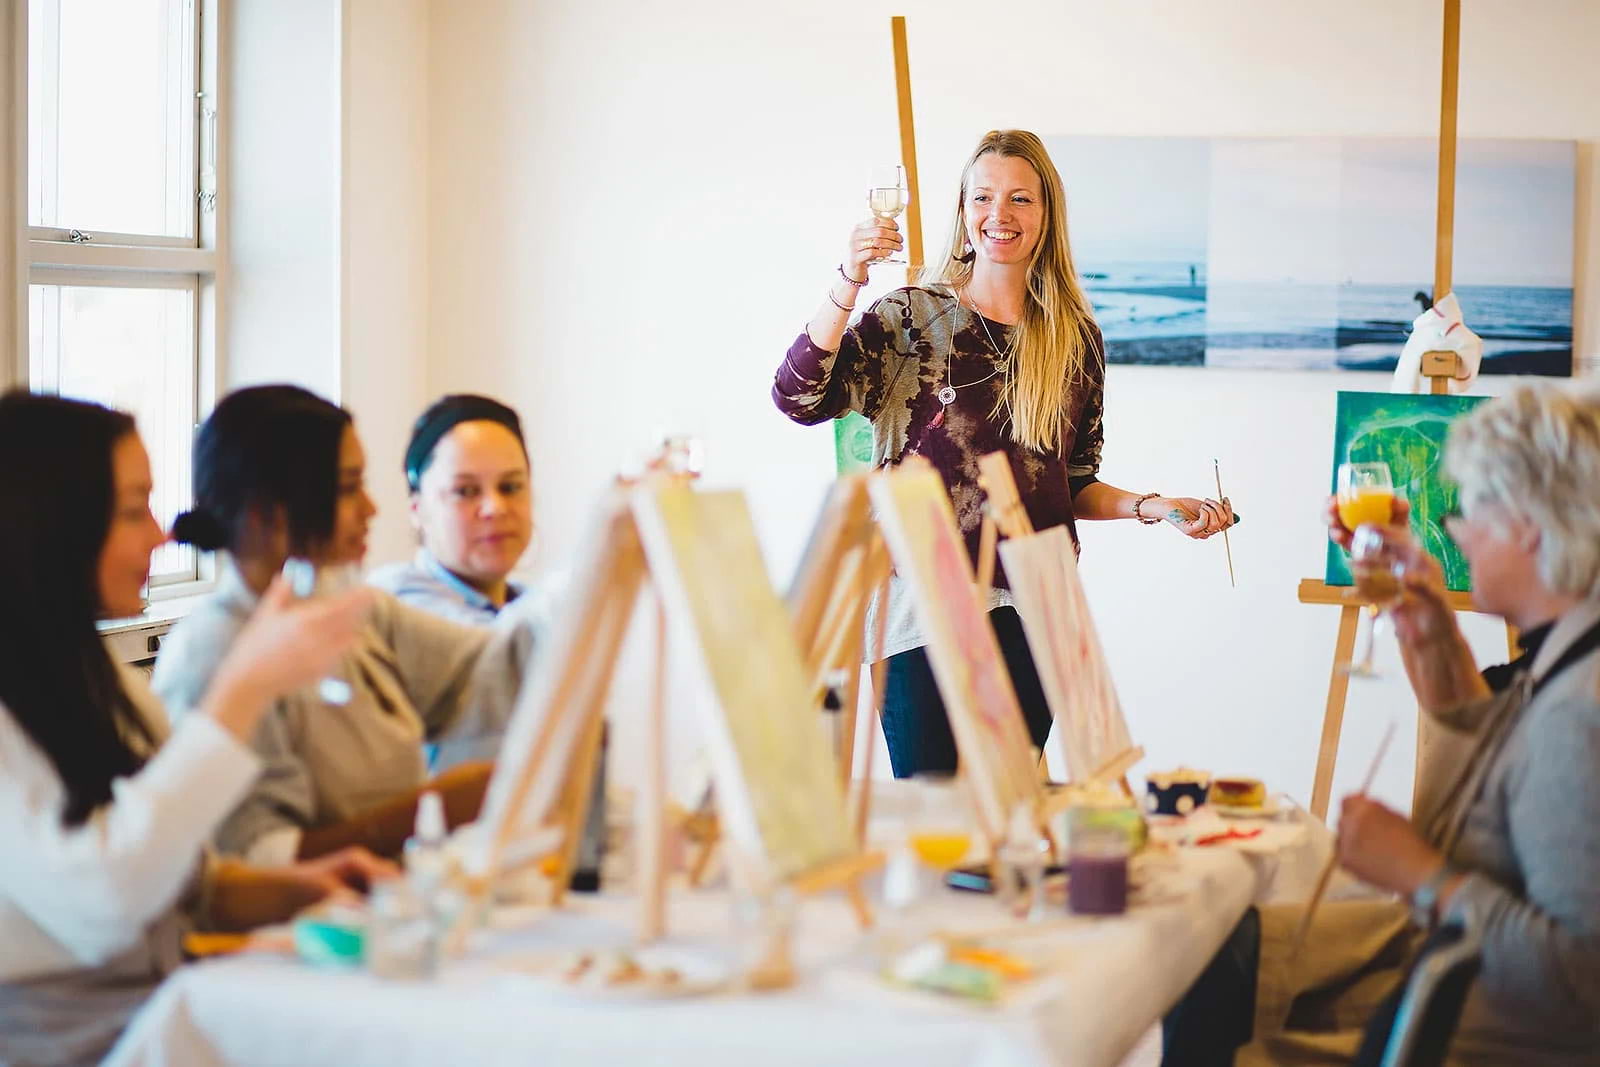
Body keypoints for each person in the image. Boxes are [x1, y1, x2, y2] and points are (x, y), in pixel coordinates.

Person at [772, 128, 1235, 777]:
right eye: (984, 196)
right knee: (942, 813)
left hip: (1036, 605)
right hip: (922, 603)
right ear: (964, 212)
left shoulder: (1075, 340)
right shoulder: (910, 319)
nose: (1000, 214)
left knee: (1013, 813)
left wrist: (1151, 506)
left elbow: (1068, 484)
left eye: (1021, 198)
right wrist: (851, 276)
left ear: (1046, 216)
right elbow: (797, 395)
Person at [0, 392, 392, 1067]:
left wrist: (285, 885)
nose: (160, 535)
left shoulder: (89, 671)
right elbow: (102, 902)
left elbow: (167, 871)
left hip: (152, 1007)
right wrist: (240, 691)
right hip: (61, 1039)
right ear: (53, 521)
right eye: (132, 510)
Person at [1223, 381, 1600, 1066]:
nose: (1455, 530)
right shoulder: (1569, 654)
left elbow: (1581, 981)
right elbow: (1487, 751)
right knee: (1238, 956)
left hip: (1473, 1033)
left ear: (1531, 527)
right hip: (1455, 996)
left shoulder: (1579, 712)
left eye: (1472, 508)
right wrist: (1419, 610)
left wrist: (1420, 872)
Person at [152, 386, 540, 866]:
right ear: (266, 514)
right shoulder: (212, 652)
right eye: (347, 488)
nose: (372, 509)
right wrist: (434, 808)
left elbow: (499, 667)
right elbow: (251, 860)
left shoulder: (351, 609)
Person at [368, 394, 535, 627]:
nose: (495, 508)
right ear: (418, 510)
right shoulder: (392, 606)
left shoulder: (532, 604)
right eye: (466, 491)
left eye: (510, 487)